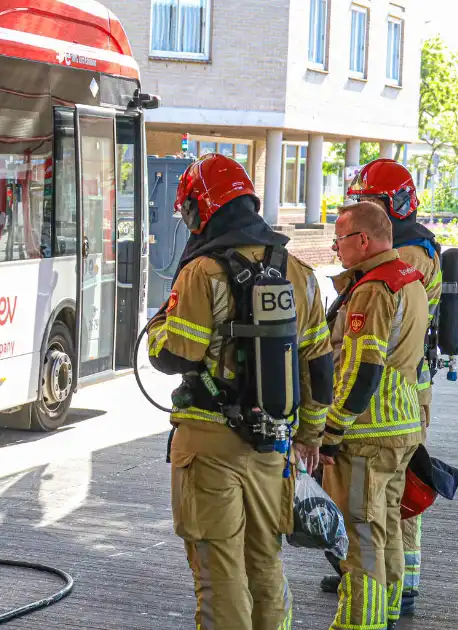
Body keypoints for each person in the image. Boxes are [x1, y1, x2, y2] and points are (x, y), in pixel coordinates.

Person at [147, 153, 334, 630]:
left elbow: (177, 356)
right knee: (266, 564)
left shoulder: (202, 272)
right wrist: (310, 434)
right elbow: (319, 364)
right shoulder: (298, 271)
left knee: (219, 572)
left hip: (209, 447)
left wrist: (156, 328)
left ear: (201, 209)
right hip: (274, 444)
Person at [322, 159, 441, 616]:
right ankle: (388, 610)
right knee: (387, 525)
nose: (335, 247)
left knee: (361, 536)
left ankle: (361, 623)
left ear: (364, 240)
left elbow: (362, 369)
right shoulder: (409, 276)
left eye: (340, 239)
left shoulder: (375, 288)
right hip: (403, 422)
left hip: (368, 431)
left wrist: (330, 430)